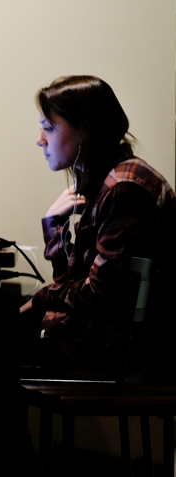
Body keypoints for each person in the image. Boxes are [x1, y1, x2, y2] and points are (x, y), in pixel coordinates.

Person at [20, 75, 176, 367]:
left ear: (86, 131)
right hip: (99, 336)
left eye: (49, 128)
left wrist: (44, 298)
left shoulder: (124, 188)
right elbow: (71, 282)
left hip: (113, 349)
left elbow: (102, 293)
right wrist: (53, 225)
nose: (40, 140)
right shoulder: (110, 182)